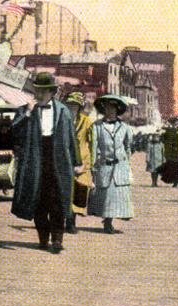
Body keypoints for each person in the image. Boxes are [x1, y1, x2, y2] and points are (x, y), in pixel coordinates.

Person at [11, 72, 79, 254]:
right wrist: (27, 113)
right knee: (38, 201)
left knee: (58, 201)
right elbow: (14, 131)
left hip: (58, 160)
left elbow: (72, 138)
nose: (38, 95)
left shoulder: (63, 111)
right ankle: (43, 237)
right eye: (36, 90)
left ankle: (57, 239)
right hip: (35, 158)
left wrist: (77, 161)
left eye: (43, 91)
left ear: (51, 92)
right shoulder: (26, 109)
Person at [87, 95, 134, 234]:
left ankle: (109, 221)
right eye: (107, 108)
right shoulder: (97, 126)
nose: (110, 110)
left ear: (117, 110)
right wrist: (93, 165)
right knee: (105, 195)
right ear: (103, 109)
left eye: (113, 108)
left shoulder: (125, 127)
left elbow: (128, 146)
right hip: (104, 165)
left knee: (117, 195)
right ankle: (107, 222)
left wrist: (127, 162)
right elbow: (94, 146)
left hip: (120, 166)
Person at [63, 91, 94, 235]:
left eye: (74, 106)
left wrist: (89, 164)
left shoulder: (86, 121)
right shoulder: (61, 120)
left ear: (79, 107)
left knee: (78, 192)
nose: (71, 108)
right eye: (69, 105)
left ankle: (71, 221)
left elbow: (93, 143)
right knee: (65, 192)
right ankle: (66, 220)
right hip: (65, 160)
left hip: (82, 160)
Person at [161, 118, 178, 187]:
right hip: (171, 152)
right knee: (173, 167)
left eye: (177, 124)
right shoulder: (169, 131)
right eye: (174, 124)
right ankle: (175, 181)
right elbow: (164, 140)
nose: (175, 125)